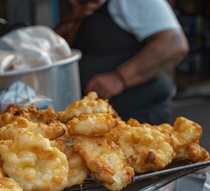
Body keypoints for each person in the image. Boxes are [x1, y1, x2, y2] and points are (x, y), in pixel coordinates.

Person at [55, 0, 189, 125]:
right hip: (100, 124)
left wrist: (119, 78)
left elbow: (174, 45)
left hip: (140, 121)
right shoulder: (85, 8)